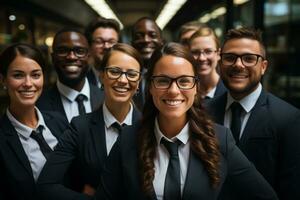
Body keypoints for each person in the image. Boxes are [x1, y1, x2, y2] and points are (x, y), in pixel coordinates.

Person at [93, 43, 278, 200]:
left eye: (184, 81)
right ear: (150, 87)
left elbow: (265, 196)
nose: (174, 91)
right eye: (163, 81)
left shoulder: (221, 139)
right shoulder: (128, 138)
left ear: (196, 87)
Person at [37, 43, 143, 199]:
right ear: (101, 76)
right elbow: (46, 185)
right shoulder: (80, 127)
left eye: (132, 74)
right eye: (114, 71)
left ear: (139, 81)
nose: (122, 80)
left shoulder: (150, 126)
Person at [206, 27, 300, 200]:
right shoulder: (204, 113)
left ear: (263, 66)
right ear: (220, 64)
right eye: (230, 58)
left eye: (249, 58)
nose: (238, 64)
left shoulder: (288, 119)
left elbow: (292, 188)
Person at [0, 43, 69, 200]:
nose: (28, 83)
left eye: (36, 75)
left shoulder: (59, 121)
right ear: (3, 80)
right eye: (18, 75)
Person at [37, 28, 104, 122]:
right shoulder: (39, 104)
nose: (72, 57)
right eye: (63, 51)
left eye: (79, 51)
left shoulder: (106, 98)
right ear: (52, 58)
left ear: (88, 57)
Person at [131, 16, 164, 110]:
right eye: (139, 36)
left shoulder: (173, 75)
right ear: (132, 43)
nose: (146, 40)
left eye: (152, 35)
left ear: (162, 41)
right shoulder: (124, 78)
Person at [189, 27, 226, 100]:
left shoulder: (230, 91)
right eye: (195, 52)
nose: (201, 58)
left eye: (208, 51)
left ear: (218, 54)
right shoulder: (185, 92)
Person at [84, 17, 120, 88]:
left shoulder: (128, 79)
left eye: (111, 42)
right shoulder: (81, 81)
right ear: (90, 46)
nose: (106, 46)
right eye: (99, 41)